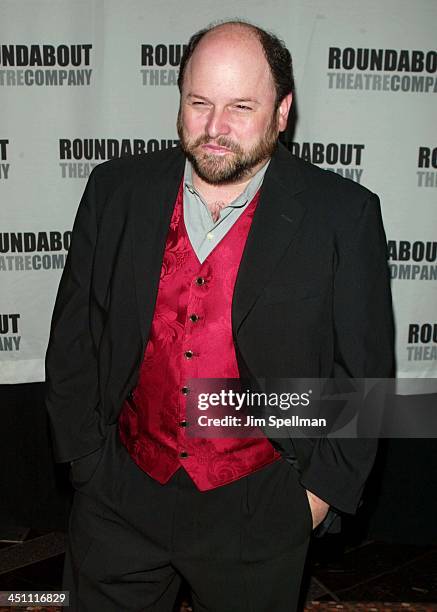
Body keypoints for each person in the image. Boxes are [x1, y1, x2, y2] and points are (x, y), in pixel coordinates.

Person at [45, 19, 394, 612]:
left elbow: (363, 374)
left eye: (240, 107)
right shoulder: (115, 191)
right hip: (120, 495)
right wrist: (86, 463)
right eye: (198, 103)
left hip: (258, 503)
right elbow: (74, 334)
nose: (214, 129)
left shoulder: (343, 215)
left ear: (283, 112)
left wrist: (313, 497)